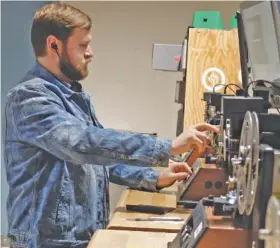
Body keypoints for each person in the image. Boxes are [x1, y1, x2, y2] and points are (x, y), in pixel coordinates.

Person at [4, 2, 218, 248]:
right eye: (83, 45)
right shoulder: (29, 98)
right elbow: (83, 145)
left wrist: (152, 178)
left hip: (77, 237)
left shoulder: (71, 94)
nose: (90, 53)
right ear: (54, 45)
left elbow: (97, 161)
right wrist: (167, 147)